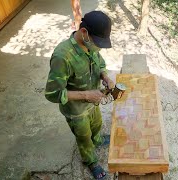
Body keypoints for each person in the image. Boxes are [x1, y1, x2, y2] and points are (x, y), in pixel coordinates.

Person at [45, 11, 114, 179]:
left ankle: (97, 140)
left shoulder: (91, 46)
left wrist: (105, 76)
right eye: (98, 43)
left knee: (97, 124)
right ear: (84, 33)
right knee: (84, 138)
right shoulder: (63, 56)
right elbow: (52, 94)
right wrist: (86, 95)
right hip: (76, 110)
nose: (99, 48)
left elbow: (100, 62)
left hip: (93, 102)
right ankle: (90, 161)